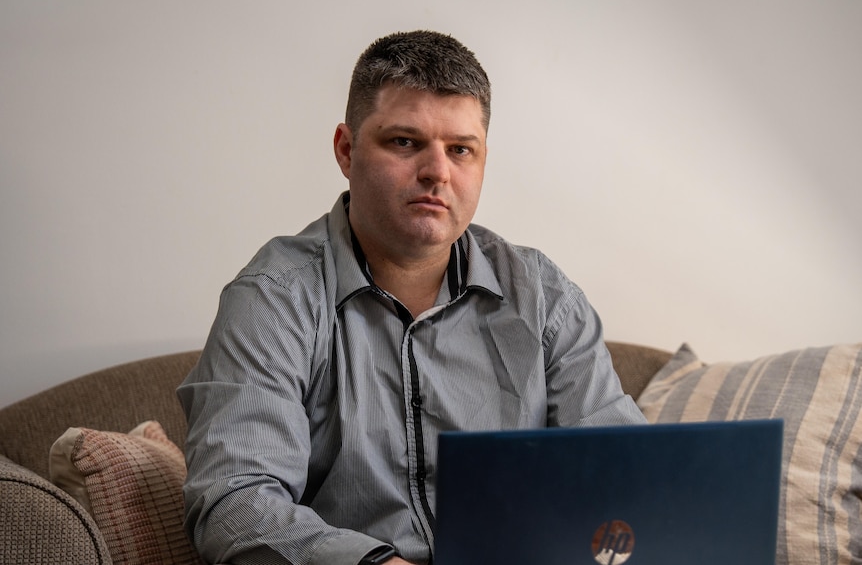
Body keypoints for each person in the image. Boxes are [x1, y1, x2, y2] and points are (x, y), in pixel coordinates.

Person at [177, 29, 646, 565]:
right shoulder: (274, 299)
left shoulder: (544, 296)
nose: (437, 172)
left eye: (461, 150)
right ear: (346, 150)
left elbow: (626, 474)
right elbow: (234, 501)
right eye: (405, 141)